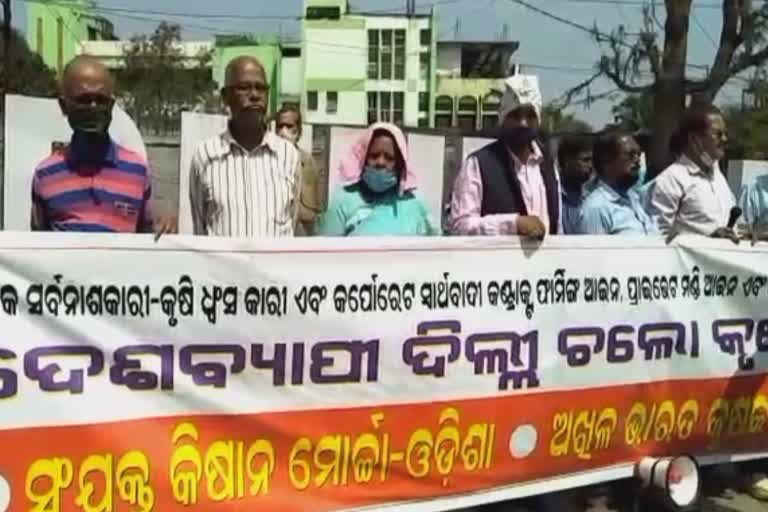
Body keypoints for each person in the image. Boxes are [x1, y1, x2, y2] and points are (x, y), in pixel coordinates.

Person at [31, 56, 173, 235]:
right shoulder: (45, 175)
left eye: (101, 100)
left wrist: (166, 228)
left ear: (111, 105)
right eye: (83, 100)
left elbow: (147, 236)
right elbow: (37, 250)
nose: (93, 106)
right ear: (63, 106)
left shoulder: (138, 171)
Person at [189, 56, 301, 237]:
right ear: (226, 97)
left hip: (272, 266)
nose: (255, 95)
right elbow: (199, 229)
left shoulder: (288, 156)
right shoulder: (205, 155)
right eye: (244, 88)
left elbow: (292, 224)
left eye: (261, 88)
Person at [449, 75, 560, 239]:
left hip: (543, 264)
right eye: (515, 115)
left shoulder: (548, 166)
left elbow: (558, 227)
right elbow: (460, 227)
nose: (523, 123)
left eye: (530, 116)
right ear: (503, 118)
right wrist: (514, 224)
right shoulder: (478, 164)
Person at [316, 122, 439, 236]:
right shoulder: (344, 200)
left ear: (400, 163)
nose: (380, 162)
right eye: (374, 156)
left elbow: (437, 248)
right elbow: (327, 253)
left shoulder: (415, 203)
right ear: (363, 158)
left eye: (389, 158)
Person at [650, 105, 736, 238]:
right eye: (718, 134)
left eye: (725, 134)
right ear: (694, 139)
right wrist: (708, 240)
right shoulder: (670, 181)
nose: (724, 139)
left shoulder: (719, 178)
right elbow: (657, 239)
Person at [575, 132, 657, 235]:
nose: (637, 160)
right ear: (606, 160)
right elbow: (594, 251)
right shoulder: (596, 208)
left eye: (638, 154)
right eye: (630, 154)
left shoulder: (635, 199)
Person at [275, 103, 325, 236]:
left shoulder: (307, 162)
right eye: (280, 126)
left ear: (299, 131)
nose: (283, 131)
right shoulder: (267, 160)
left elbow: (313, 211)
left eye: (289, 126)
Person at [557, 134, 594, 234]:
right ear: (567, 160)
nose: (590, 166)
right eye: (585, 160)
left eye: (591, 160)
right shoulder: (553, 197)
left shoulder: (589, 198)